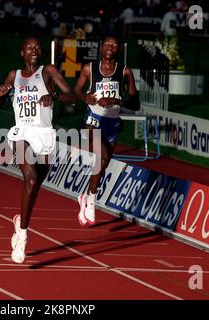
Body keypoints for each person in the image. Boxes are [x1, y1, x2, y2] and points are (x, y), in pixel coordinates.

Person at [0, 37, 77, 263]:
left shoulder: (47, 71)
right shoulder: (14, 75)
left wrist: (55, 96)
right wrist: (0, 93)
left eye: (37, 47)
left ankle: (20, 220)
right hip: (21, 133)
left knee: (35, 187)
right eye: (29, 47)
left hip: (45, 135)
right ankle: (23, 237)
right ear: (22, 52)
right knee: (29, 180)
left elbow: (72, 96)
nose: (34, 49)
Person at [73, 36, 140, 226]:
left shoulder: (125, 72)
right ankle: (92, 202)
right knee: (101, 158)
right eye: (107, 44)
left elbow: (135, 104)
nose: (111, 47)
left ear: (118, 49)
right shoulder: (90, 69)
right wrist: (87, 97)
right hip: (93, 119)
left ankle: (85, 197)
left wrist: (117, 101)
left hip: (112, 122)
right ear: (101, 47)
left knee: (103, 164)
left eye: (115, 44)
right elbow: (77, 90)